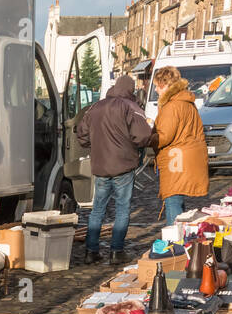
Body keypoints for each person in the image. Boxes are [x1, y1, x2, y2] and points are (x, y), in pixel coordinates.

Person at [75, 74, 154, 265]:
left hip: (101, 166)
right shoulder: (131, 107)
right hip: (123, 165)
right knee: (122, 208)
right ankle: (116, 251)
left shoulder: (96, 107)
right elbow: (143, 136)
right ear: (130, 89)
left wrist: (94, 144)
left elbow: (81, 133)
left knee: (97, 209)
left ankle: (90, 250)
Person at [148, 65, 208, 226]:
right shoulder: (186, 101)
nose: (155, 90)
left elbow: (164, 136)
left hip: (176, 159)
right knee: (177, 199)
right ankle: (179, 238)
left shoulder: (172, 105)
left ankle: (175, 242)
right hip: (186, 156)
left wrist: (148, 138)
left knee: (172, 199)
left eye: (157, 86)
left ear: (165, 84)